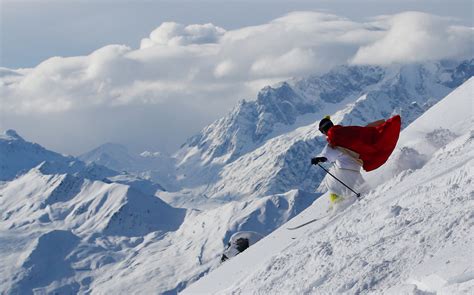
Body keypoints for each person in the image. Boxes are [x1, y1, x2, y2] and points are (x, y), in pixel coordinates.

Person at [312, 115, 401, 204]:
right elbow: (364, 130)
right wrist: (381, 124)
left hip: (343, 170)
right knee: (362, 189)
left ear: (324, 131)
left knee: (331, 183)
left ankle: (338, 204)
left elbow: (328, 154)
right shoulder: (347, 132)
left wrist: (319, 159)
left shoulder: (334, 141)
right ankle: (371, 199)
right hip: (355, 168)